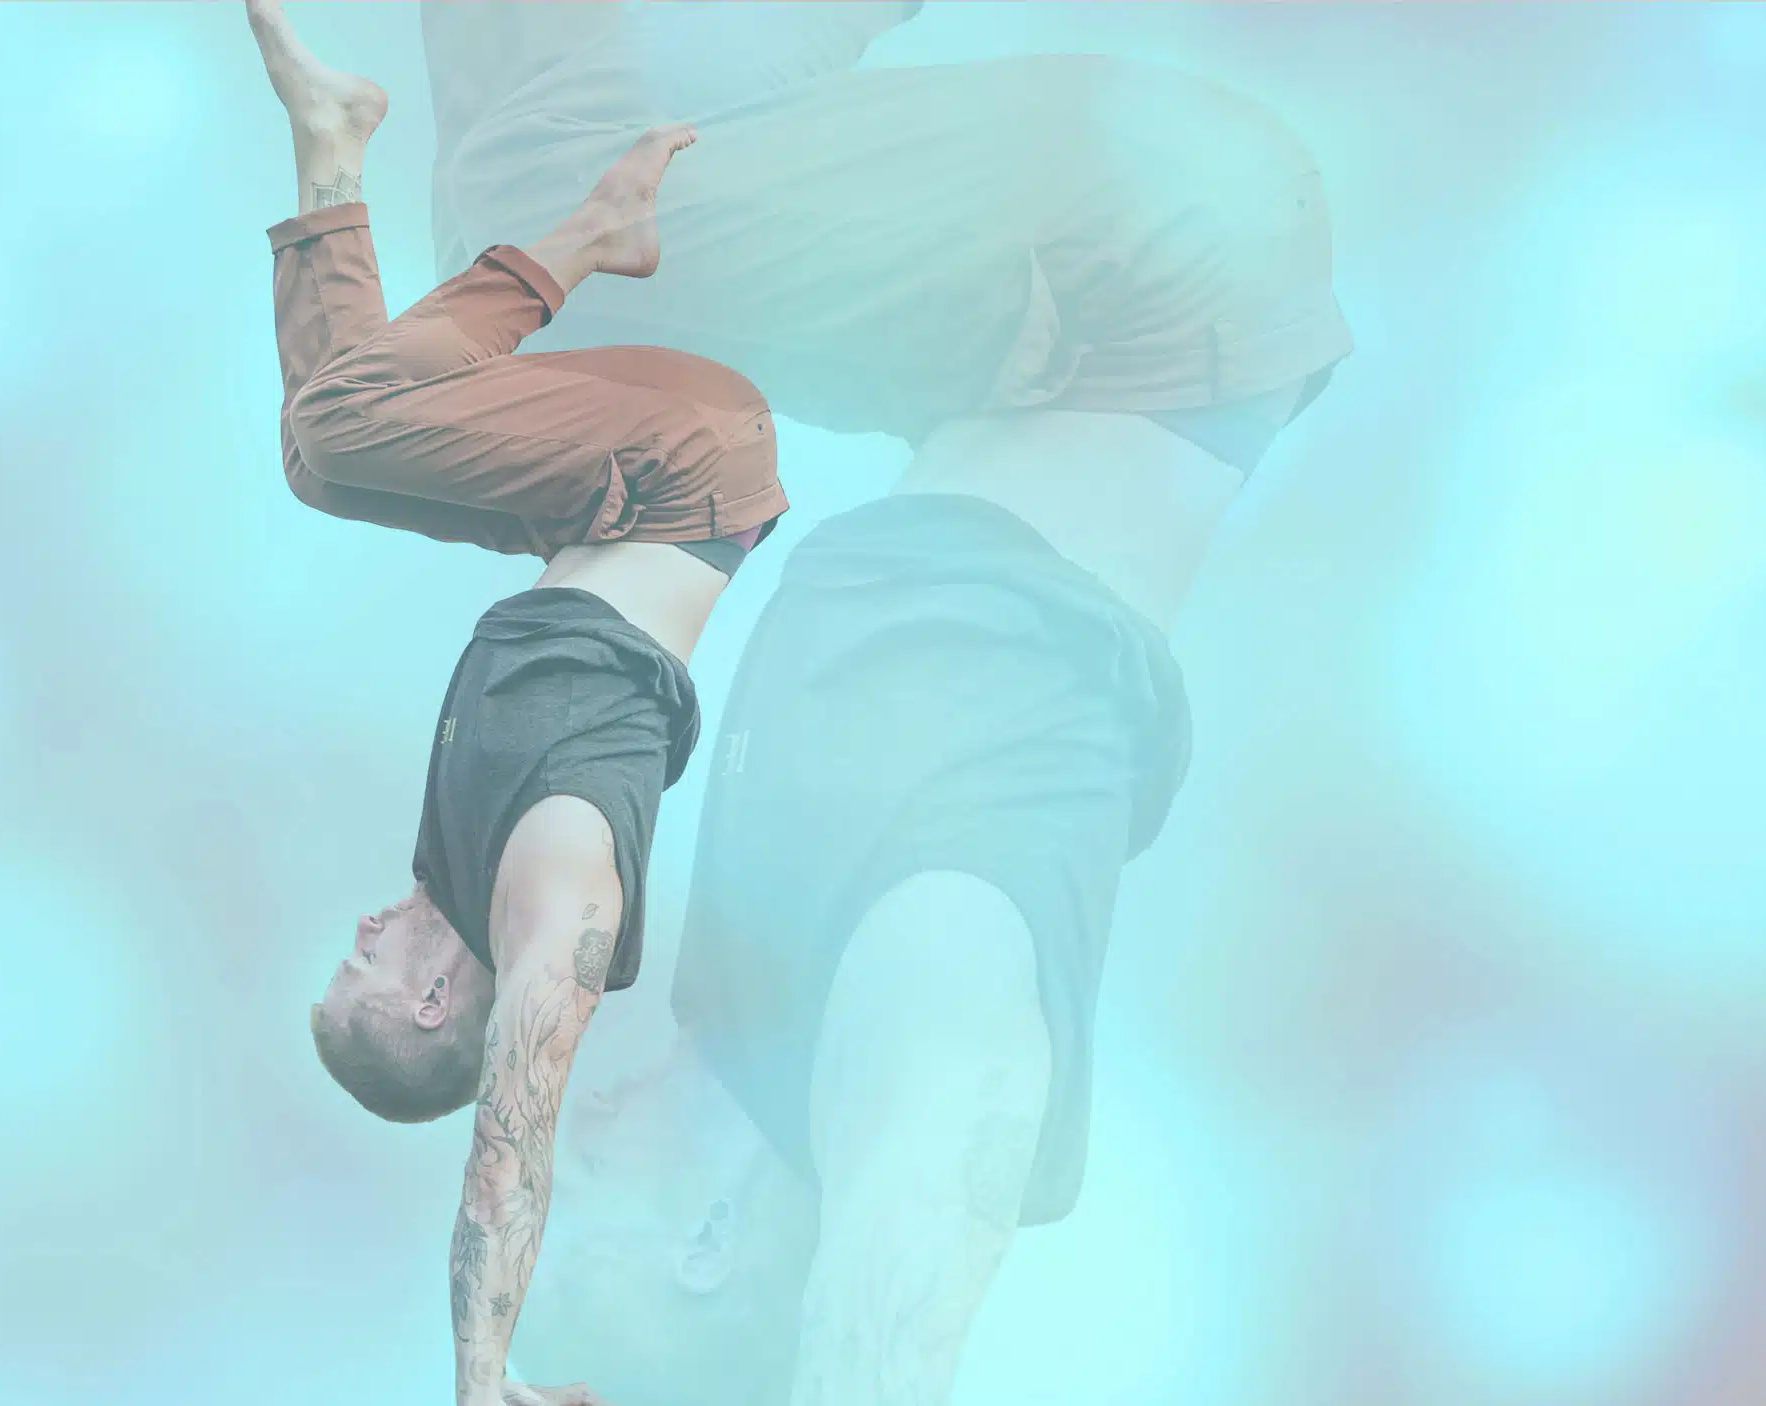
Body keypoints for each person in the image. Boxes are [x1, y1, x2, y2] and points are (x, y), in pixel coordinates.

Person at [412, 6, 1354, 1402]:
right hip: (1157, 276)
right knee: (530, 231)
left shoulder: (743, 999)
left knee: (505, 235)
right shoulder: (901, 1024)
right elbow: (906, 1282)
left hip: (1029, 332)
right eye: (554, 1215)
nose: (536, 1148)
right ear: (703, 1248)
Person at [241, 4, 787, 1403]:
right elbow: (512, 1142)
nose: (364, 930)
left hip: (603, 495)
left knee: (321, 453)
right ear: (436, 999)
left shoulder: (453, 865)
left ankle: (342, 151)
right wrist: (482, 1376)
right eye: (364, 966)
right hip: (686, 466)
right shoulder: (552, 896)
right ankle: (582, 229)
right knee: (343, 426)